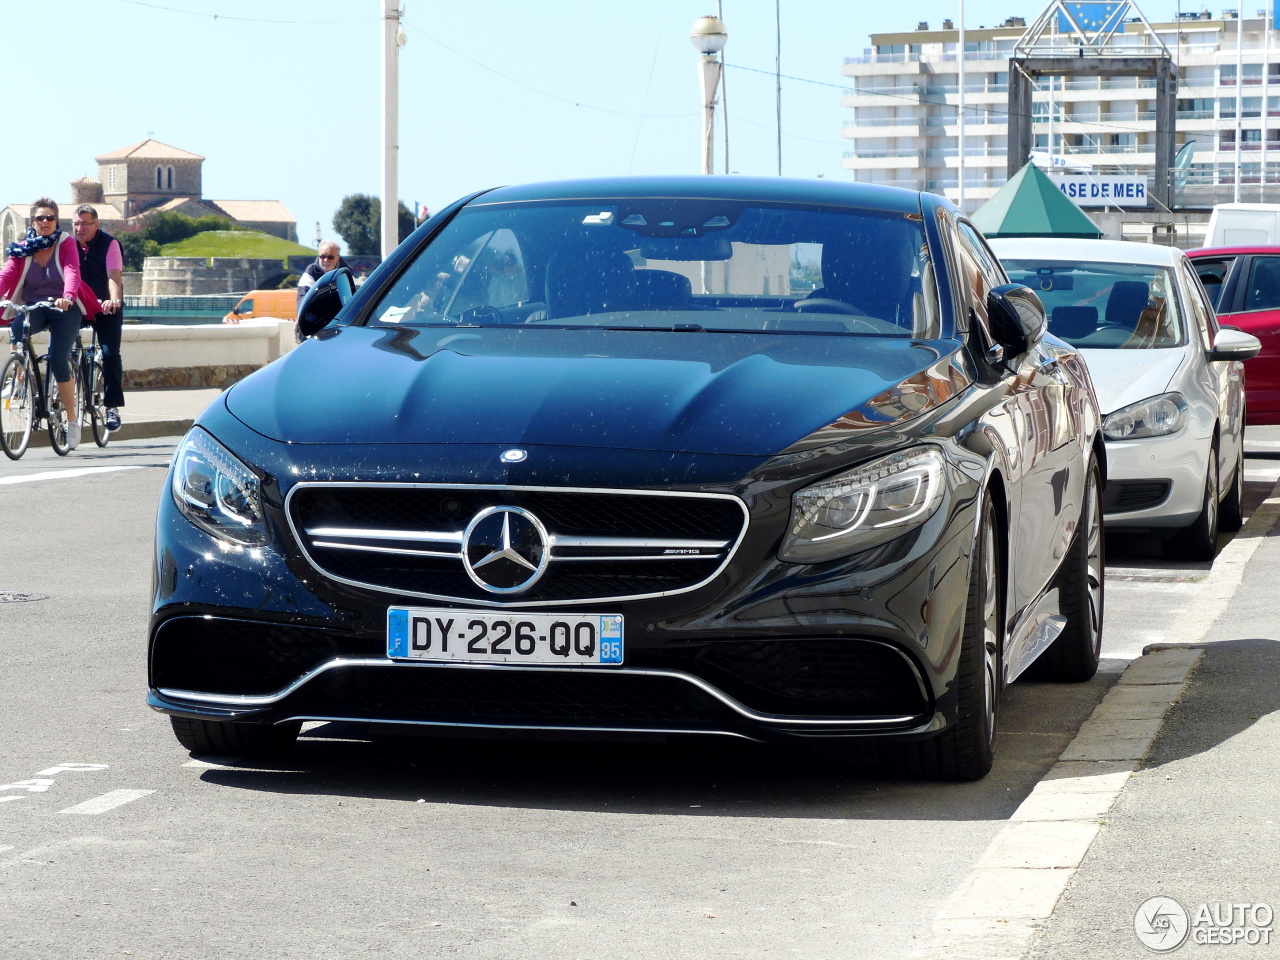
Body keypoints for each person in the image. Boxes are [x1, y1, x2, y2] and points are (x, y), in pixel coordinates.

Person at [0, 198, 99, 450]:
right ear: (32, 222)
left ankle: (73, 422)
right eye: (40, 218)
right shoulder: (23, 248)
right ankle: (18, 378)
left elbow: (71, 270)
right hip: (36, 305)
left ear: (56, 221)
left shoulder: (65, 243)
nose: (45, 222)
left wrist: (67, 296)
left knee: (58, 359)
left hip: (64, 307)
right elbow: (7, 274)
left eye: (50, 218)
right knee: (17, 328)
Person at [72, 204, 125, 432]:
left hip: (106, 306)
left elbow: (114, 276)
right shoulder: (68, 245)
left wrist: (114, 300)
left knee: (110, 353)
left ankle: (112, 406)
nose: (80, 228)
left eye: (85, 223)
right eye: (76, 223)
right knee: (65, 349)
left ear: (96, 225)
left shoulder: (109, 243)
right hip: (80, 305)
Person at [296, 241, 350, 306]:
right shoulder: (311, 271)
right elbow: (303, 297)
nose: (325, 260)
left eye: (330, 257)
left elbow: (353, 295)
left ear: (338, 258)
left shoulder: (346, 272)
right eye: (322, 256)